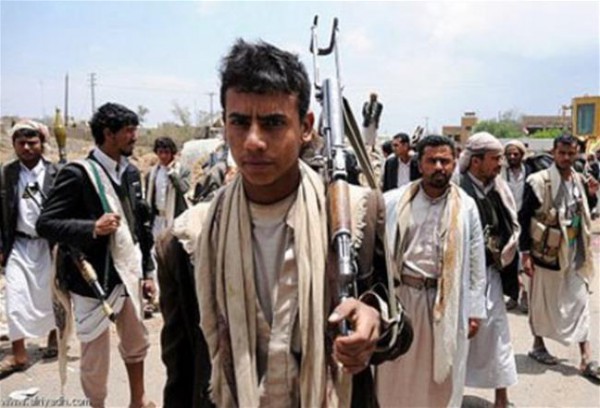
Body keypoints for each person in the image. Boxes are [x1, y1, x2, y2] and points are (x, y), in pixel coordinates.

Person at [157, 39, 413, 408]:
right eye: (239, 122)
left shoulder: (355, 214)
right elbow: (180, 373)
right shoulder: (189, 239)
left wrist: (374, 318)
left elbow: (400, 334)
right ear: (224, 124)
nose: (254, 141)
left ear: (306, 126)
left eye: (273, 123)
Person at [36, 103, 156, 408]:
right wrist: (92, 227)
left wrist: (148, 272)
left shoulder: (131, 173)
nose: (134, 136)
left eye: (134, 129)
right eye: (128, 131)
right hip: (91, 278)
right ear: (108, 133)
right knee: (94, 355)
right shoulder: (78, 174)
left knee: (136, 342)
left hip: (127, 273)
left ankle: (138, 400)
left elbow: (140, 226)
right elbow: (46, 223)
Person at [377, 135, 487, 407]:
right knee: (396, 372)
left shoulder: (466, 206)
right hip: (402, 299)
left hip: (446, 302)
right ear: (420, 164)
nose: (439, 167)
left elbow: (476, 259)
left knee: (439, 379)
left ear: (454, 164)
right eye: (432, 160)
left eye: (445, 161)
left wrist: (475, 310)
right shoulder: (394, 201)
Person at [519, 133, 600, 383]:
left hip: (575, 252)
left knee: (579, 301)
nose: (566, 157)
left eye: (571, 153)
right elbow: (524, 217)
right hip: (547, 254)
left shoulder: (579, 179)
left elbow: (584, 211)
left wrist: (592, 195)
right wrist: (525, 255)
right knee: (542, 301)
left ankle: (586, 357)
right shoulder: (537, 182)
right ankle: (538, 345)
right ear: (553, 152)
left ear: (577, 153)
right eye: (562, 153)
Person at [459, 132, 519, 408]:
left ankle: (501, 399)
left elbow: (510, 227)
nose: (500, 164)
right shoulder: (457, 190)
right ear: (476, 161)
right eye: (495, 159)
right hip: (460, 277)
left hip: (490, 274)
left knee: (497, 336)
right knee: (457, 338)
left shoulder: (499, 189)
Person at [0, 120, 58, 378]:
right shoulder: (7, 174)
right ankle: (19, 354)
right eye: (21, 143)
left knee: (52, 295)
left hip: (48, 245)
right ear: (14, 145)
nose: (26, 147)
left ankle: (55, 338)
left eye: (32, 143)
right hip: (19, 245)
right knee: (15, 296)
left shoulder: (56, 173)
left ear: (42, 144)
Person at [500, 139, 534, 312]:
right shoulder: (501, 173)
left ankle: (526, 295)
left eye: (516, 154)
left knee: (526, 259)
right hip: (507, 220)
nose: (512, 157)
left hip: (526, 219)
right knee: (510, 260)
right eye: (509, 154)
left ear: (522, 155)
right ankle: (513, 295)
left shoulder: (531, 172)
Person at [145, 136, 190, 239]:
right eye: (160, 152)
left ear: (172, 153)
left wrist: (172, 173)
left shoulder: (182, 171)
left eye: (166, 152)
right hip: (157, 220)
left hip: (175, 219)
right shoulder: (152, 173)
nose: (163, 156)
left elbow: (184, 188)